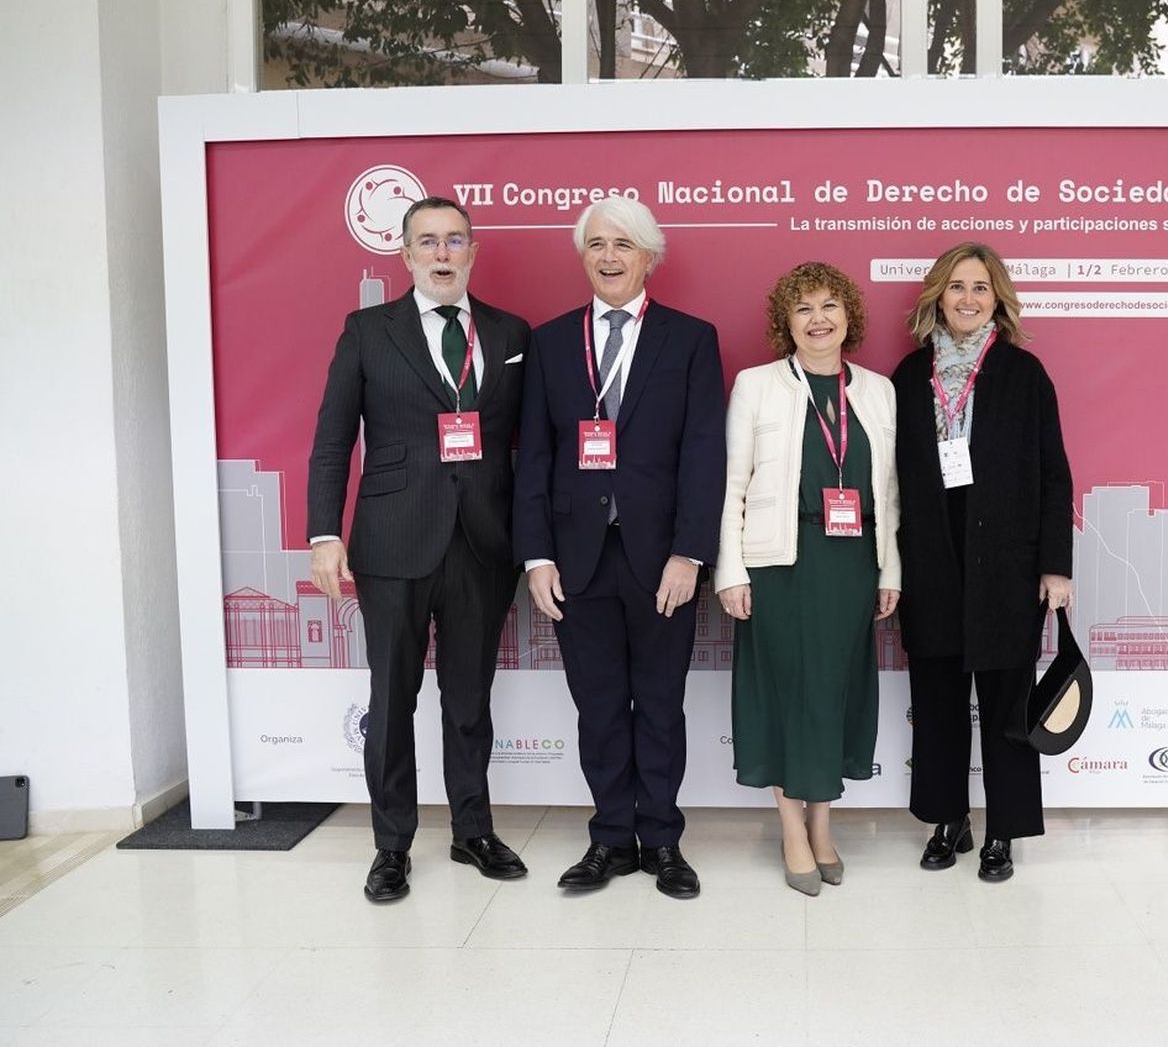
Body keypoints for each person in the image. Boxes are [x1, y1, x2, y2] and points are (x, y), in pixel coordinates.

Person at [308, 196, 532, 902]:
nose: (442, 252)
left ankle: (473, 831)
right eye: (428, 241)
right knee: (392, 699)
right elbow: (333, 439)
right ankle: (391, 845)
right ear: (405, 255)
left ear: (472, 252)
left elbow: (533, 445)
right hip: (392, 541)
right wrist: (324, 534)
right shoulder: (368, 331)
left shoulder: (511, 332)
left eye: (455, 240)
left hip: (483, 542)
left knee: (469, 700)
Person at [513, 197, 726, 899]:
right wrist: (537, 556)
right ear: (584, 256)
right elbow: (534, 455)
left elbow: (703, 452)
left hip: (661, 560)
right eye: (597, 244)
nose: (609, 257)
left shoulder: (690, 339)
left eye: (624, 244)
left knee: (660, 705)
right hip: (576, 560)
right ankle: (610, 838)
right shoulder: (550, 343)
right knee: (599, 707)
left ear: (649, 257)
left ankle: (662, 840)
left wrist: (690, 553)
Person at [715, 263, 901, 896]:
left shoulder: (878, 391)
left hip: (853, 564)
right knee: (785, 691)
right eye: (803, 309)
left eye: (829, 306)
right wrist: (731, 569)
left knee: (834, 690)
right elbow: (733, 484)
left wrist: (891, 569)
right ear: (785, 323)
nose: (818, 319)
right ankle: (791, 827)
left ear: (849, 316)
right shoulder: (757, 385)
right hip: (779, 562)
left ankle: (823, 823)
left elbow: (891, 493)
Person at [891, 242, 1073, 883]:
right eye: (956, 286)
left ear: (997, 300)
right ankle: (949, 820)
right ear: (937, 296)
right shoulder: (907, 377)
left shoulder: (1024, 374)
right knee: (937, 702)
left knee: (1006, 707)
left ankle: (1003, 830)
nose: (967, 299)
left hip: (1006, 567)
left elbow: (1054, 474)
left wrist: (1055, 566)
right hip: (931, 562)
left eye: (980, 288)